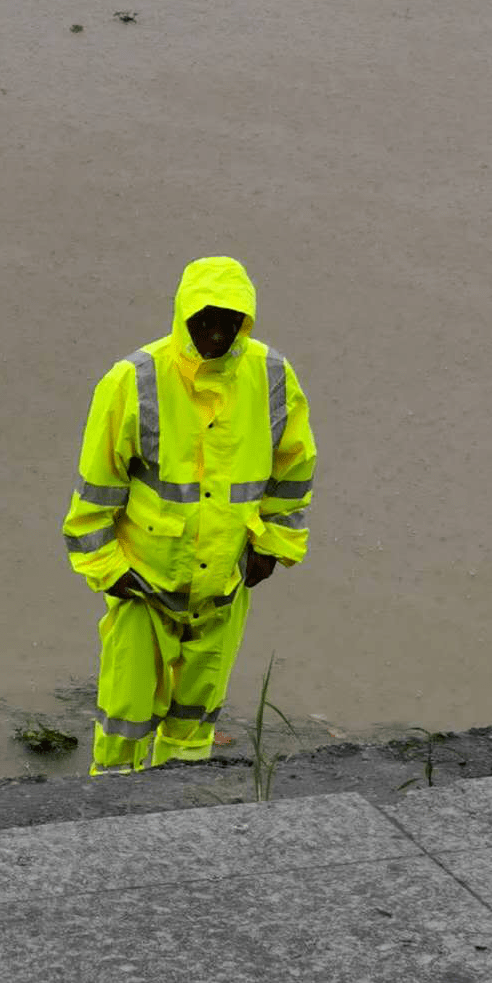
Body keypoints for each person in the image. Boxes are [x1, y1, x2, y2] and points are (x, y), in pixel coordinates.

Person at [62, 256, 315, 774]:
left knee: (198, 711)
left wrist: (271, 550)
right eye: (204, 319)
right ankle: (111, 803)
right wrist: (110, 571)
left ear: (245, 321)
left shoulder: (270, 375)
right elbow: (95, 493)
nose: (215, 332)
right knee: (125, 715)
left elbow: (293, 471)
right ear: (183, 315)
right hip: (144, 582)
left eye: (229, 320)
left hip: (225, 582)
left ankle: (187, 800)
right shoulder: (134, 379)